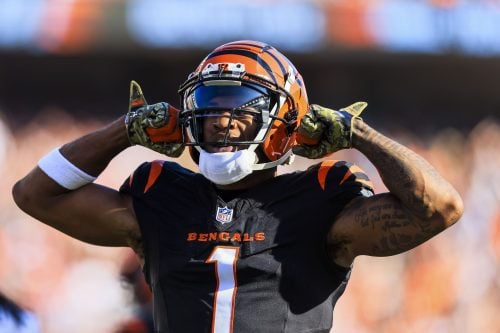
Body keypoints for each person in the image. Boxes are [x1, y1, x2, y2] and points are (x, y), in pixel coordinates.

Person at [12, 40, 463, 333]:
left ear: (286, 123)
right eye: (209, 106)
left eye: (240, 109)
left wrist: (359, 134)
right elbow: (34, 194)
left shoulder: (322, 196)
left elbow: (440, 208)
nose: (221, 121)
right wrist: (125, 130)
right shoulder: (162, 192)